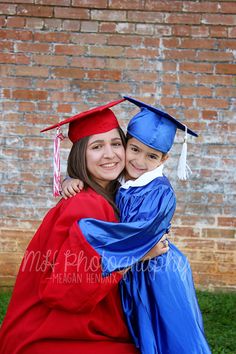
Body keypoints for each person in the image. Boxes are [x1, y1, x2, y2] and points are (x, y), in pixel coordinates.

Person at [0, 98, 166, 354]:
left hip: (55, 328)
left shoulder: (110, 196)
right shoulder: (88, 206)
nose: (110, 154)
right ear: (81, 155)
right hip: (50, 336)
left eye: (116, 143)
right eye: (97, 147)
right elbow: (67, 288)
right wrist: (137, 256)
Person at [62, 96, 212, 354]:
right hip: (133, 264)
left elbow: (140, 233)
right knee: (135, 330)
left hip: (157, 268)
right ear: (126, 144)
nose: (139, 161)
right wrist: (71, 178)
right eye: (134, 149)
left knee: (165, 330)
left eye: (151, 156)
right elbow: (97, 180)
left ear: (163, 160)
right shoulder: (124, 176)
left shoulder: (160, 192)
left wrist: (89, 232)